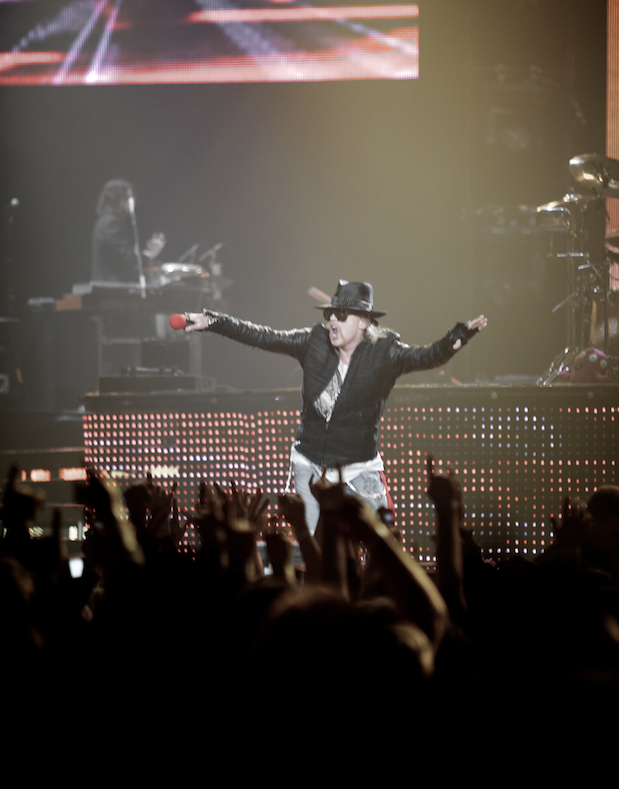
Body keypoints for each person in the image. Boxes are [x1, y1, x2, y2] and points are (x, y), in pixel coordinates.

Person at [184, 279, 487, 535]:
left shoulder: (386, 353)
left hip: (359, 465)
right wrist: (213, 322)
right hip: (310, 461)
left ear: (364, 321)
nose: (332, 321)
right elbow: (263, 337)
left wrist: (456, 338)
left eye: (341, 315)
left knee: (386, 539)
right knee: (311, 541)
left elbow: (428, 356)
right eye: (330, 314)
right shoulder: (312, 342)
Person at [91, 179, 165, 284]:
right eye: (127, 198)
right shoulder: (110, 223)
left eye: (132, 198)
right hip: (110, 289)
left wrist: (146, 260)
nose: (132, 201)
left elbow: (120, 262)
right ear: (115, 199)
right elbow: (128, 257)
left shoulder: (110, 221)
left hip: (113, 288)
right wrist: (150, 254)